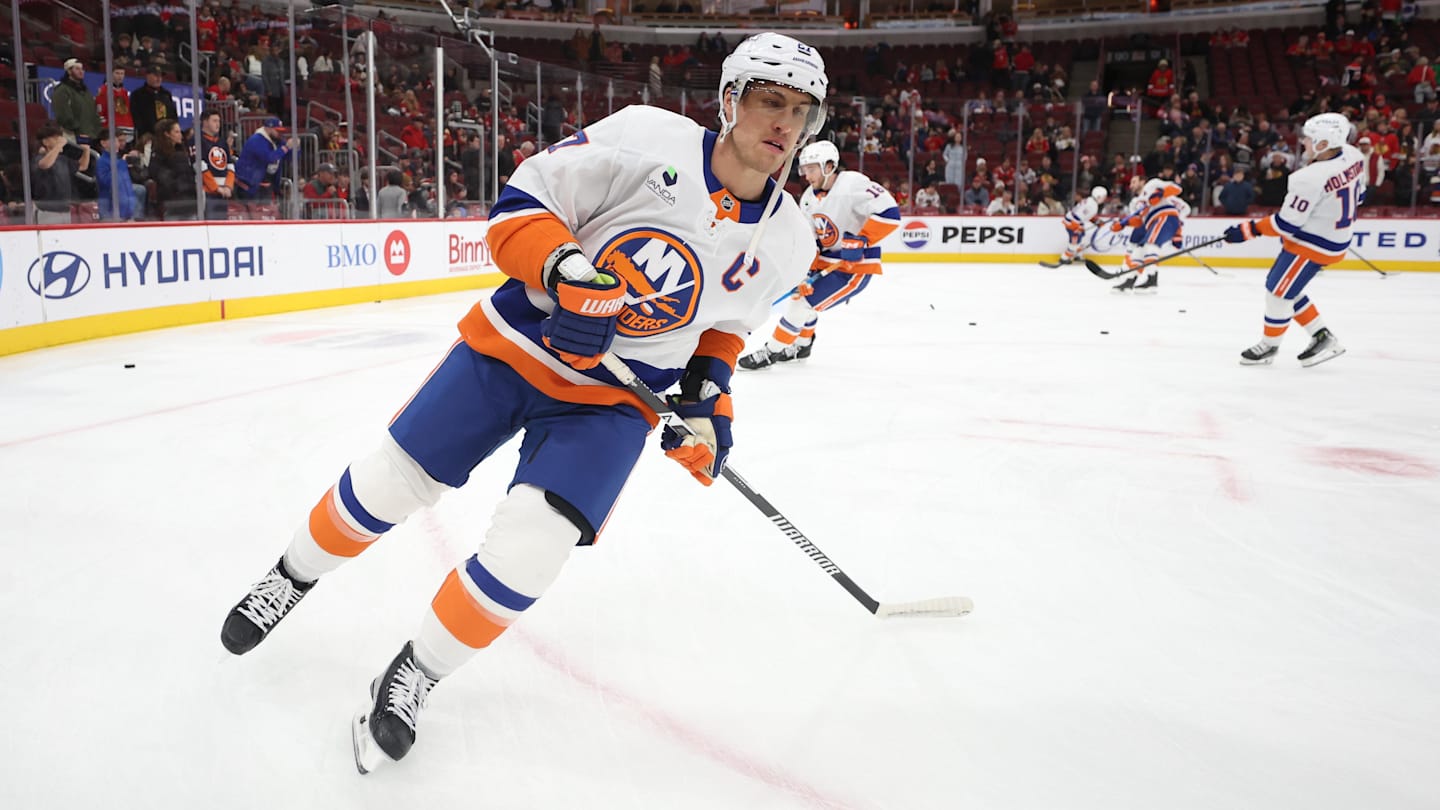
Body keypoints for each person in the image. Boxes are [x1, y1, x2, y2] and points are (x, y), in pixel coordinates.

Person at [219, 32, 828, 773]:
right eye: (771, 101)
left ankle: (416, 672)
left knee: (534, 550)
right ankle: (290, 578)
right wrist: (565, 268)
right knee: (389, 483)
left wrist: (706, 404)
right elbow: (520, 207)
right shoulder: (644, 136)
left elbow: (724, 330)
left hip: (611, 402)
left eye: (801, 110)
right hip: (515, 348)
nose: (785, 124)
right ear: (731, 100)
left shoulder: (789, 238)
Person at [737, 138, 898, 369]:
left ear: (829, 166)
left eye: (811, 169)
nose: (806, 175)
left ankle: (771, 351)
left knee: (801, 304)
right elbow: (811, 241)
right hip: (827, 264)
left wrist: (863, 239)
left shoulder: (852, 183)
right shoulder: (808, 199)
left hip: (853, 269)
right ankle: (802, 345)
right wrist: (805, 271)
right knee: (801, 297)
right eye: (804, 169)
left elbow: (889, 213)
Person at [1224, 112, 1361, 368]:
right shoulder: (1354, 155)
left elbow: (1286, 224)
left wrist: (1248, 230)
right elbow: (1360, 193)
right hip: (1330, 238)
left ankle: (1270, 346)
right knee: (1284, 287)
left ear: (1324, 143)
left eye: (1309, 139)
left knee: (1278, 293)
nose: (1304, 144)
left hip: (1312, 244)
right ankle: (1322, 336)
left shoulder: (1307, 178)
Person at [1111, 176, 1188, 294]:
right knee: (1139, 250)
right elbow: (1139, 221)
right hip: (1153, 223)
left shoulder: (1152, 184)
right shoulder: (1135, 202)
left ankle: (1152, 279)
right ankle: (1131, 280)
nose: (1131, 185)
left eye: (1134, 181)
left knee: (1150, 245)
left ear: (1142, 181)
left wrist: (1160, 193)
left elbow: (1176, 188)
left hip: (1165, 216)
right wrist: (1123, 224)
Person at [32, 123, 90, 224]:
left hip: (64, 210)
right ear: (45, 141)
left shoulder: (63, 159)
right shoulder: (38, 158)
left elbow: (82, 166)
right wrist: (58, 146)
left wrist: (86, 150)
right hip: (46, 211)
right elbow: (45, 164)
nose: (59, 140)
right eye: (55, 138)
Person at [235, 117, 296, 200]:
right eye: (277, 130)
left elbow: (290, 156)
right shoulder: (256, 140)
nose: (279, 133)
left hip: (265, 185)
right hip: (249, 185)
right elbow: (269, 157)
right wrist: (286, 148)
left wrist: (296, 147)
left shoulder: (276, 140)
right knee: (253, 211)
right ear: (268, 128)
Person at [148, 118, 197, 221]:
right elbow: (157, 173)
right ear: (167, 134)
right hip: (172, 203)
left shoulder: (182, 151)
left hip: (189, 201)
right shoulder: (158, 153)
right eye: (176, 132)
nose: (180, 135)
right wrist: (177, 187)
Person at [52, 58, 103, 146]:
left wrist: (97, 130)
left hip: (91, 135)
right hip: (73, 136)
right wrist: (76, 128)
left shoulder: (86, 91)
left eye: (82, 69)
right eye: (77, 69)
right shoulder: (62, 90)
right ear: (69, 71)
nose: (81, 71)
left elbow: (93, 112)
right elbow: (62, 114)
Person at [198, 109, 235, 220]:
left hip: (223, 193)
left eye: (219, 121)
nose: (218, 124)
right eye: (214, 121)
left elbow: (230, 165)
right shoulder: (197, 141)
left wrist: (228, 186)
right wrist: (216, 188)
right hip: (207, 193)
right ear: (205, 122)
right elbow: (200, 166)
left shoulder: (222, 142)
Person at [1056, 186, 1108, 265]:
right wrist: (1077, 227)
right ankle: (1064, 258)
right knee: (1074, 242)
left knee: (1082, 239)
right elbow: (1077, 216)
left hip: (1074, 222)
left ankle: (1077, 255)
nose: (1104, 199)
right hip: (1072, 223)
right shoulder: (1091, 205)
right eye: (1104, 197)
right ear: (1098, 196)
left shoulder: (1090, 201)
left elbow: (1086, 215)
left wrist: (1096, 221)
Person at [94, 132, 138, 221]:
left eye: (117, 141)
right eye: (114, 141)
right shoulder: (102, 161)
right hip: (110, 211)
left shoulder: (119, 161)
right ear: (103, 143)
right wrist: (121, 163)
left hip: (126, 210)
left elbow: (127, 185)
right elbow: (106, 182)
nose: (117, 143)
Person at [130, 66, 177, 145]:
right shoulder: (138, 95)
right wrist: (143, 133)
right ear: (147, 76)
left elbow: (173, 114)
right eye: (156, 76)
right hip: (147, 136)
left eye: (160, 76)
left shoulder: (166, 94)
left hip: (166, 135)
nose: (159, 79)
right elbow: (135, 116)